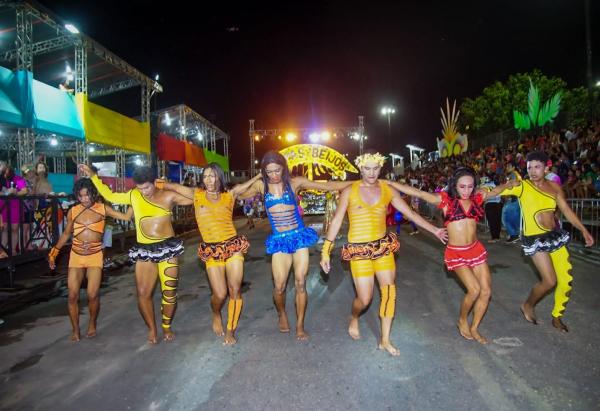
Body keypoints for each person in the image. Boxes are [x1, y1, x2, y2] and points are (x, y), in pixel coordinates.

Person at [321, 152, 448, 355]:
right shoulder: (349, 191)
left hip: (382, 248)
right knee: (364, 299)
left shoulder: (387, 189)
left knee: (389, 292)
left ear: (381, 169)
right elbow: (336, 221)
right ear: (360, 169)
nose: (371, 173)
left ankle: (385, 339)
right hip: (359, 250)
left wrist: (435, 230)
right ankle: (354, 317)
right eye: (367, 168)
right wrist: (325, 252)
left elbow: (410, 213)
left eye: (375, 168)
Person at [388, 167, 517, 344]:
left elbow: (496, 190)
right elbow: (418, 192)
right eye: (462, 187)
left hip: (475, 249)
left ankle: (474, 327)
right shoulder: (446, 201)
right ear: (455, 186)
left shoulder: (477, 197)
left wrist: (509, 183)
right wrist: (390, 183)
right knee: (474, 290)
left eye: (470, 186)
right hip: (456, 252)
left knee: (486, 292)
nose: (466, 191)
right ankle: (462, 320)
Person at [240, 150, 353, 340]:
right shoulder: (261, 186)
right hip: (279, 241)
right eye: (269, 172)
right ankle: (281, 313)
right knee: (279, 286)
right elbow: (237, 194)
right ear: (264, 172)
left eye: (277, 170)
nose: (274, 175)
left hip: (299, 237)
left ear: (283, 168)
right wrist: (257, 176)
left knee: (300, 282)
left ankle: (300, 325)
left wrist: (357, 183)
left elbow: (327, 186)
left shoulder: (294, 182)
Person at [80, 164, 192, 344]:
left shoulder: (168, 195)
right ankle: (152, 328)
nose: (144, 192)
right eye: (140, 188)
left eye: (147, 187)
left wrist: (169, 185)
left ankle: (166, 326)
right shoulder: (134, 195)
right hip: (144, 250)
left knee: (169, 294)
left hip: (167, 249)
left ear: (155, 182)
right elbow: (109, 195)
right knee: (142, 292)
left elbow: (194, 196)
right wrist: (94, 176)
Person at [159, 164, 261, 345]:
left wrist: (259, 175)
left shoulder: (229, 194)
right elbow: (173, 186)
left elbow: (244, 186)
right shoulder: (196, 194)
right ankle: (216, 313)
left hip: (232, 246)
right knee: (220, 294)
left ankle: (231, 330)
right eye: (205, 176)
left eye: (213, 176)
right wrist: (156, 184)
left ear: (219, 178)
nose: (208, 180)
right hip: (211, 249)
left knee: (235, 289)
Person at [500, 151, 594, 332]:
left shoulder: (555, 188)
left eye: (537, 167)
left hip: (554, 237)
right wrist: (478, 193)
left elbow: (566, 211)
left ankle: (557, 316)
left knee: (565, 280)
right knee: (550, 281)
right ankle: (528, 304)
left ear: (546, 168)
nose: (533, 171)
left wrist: (584, 230)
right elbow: (499, 190)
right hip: (535, 240)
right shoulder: (523, 186)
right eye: (529, 168)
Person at [48, 178, 133, 341]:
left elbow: (126, 216)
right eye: (81, 196)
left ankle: (92, 322)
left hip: (94, 256)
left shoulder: (102, 208)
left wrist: (134, 199)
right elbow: (66, 234)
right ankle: (75, 329)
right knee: (72, 296)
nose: (84, 199)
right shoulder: (73, 211)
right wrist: (54, 252)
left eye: (87, 195)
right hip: (76, 256)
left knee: (92, 294)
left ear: (93, 194)